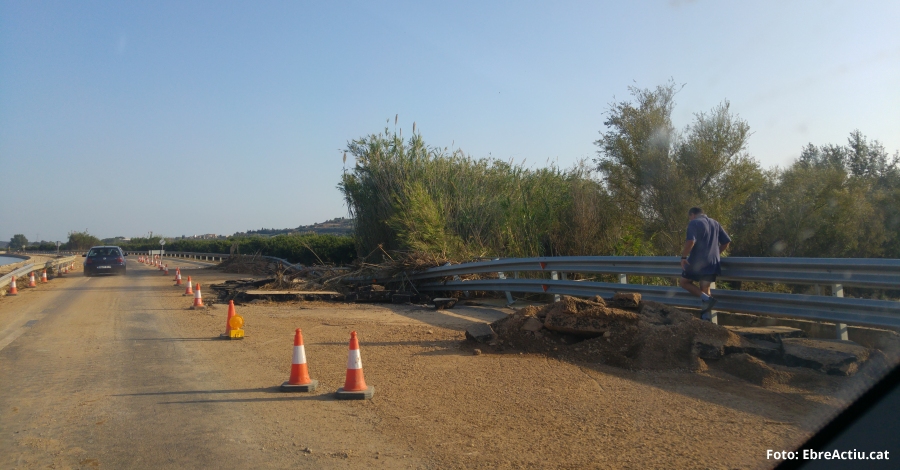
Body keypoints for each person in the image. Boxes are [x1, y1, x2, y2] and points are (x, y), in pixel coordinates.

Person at [678, 207, 731, 321]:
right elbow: (726, 241)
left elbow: (691, 241)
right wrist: (717, 253)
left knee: (684, 282)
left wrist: (683, 257)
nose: (690, 219)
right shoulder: (715, 223)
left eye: (689, 217)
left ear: (692, 215)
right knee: (705, 288)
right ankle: (706, 318)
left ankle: (706, 300)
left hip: (697, 263)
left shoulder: (694, 223)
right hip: (713, 263)